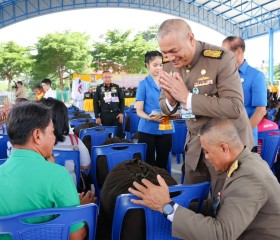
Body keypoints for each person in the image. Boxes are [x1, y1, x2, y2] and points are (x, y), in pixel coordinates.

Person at [129, 118, 280, 240]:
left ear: (224, 148)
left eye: (207, 151)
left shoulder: (249, 177)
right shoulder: (247, 161)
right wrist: (174, 203)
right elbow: (222, 203)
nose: (206, 158)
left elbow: (221, 235)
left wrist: (166, 207)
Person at [157, 18, 254, 196]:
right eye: (165, 52)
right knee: (192, 200)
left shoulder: (220, 58)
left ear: (191, 39)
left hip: (226, 146)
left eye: (174, 51)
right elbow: (164, 103)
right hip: (195, 145)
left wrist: (187, 97)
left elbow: (234, 106)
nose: (170, 57)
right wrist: (171, 100)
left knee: (225, 203)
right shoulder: (168, 64)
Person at [0, 102, 95, 240]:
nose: (54, 138)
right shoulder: (58, 175)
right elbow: (76, 236)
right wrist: (80, 212)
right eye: (51, 132)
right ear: (37, 135)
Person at [222, 36, 267, 152]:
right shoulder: (224, 75)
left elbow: (261, 110)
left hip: (245, 140)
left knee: (243, 170)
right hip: (224, 137)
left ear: (238, 51)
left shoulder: (256, 76)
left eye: (225, 52)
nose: (222, 55)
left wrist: (241, 133)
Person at [135, 51, 173, 170]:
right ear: (147, 65)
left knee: (163, 161)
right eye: (155, 65)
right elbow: (139, 110)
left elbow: (174, 104)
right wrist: (148, 117)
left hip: (166, 125)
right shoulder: (143, 84)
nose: (158, 68)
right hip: (147, 127)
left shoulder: (169, 82)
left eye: (160, 65)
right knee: (147, 163)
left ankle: (162, 186)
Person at [40, 98, 91, 186]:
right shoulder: (74, 141)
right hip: (71, 189)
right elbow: (85, 165)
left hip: (42, 191)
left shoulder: (33, 143)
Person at [94, 70, 125, 138]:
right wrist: (97, 116)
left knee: (120, 135)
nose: (107, 79)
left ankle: (120, 148)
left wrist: (121, 113)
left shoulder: (116, 87)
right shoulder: (99, 88)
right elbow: (95, 103)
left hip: (116, 115)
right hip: (104, 115)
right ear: (102, 78)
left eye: (109, 77)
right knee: (106, 136)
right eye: (105, 77)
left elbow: (122, 100)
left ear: (111, 77)